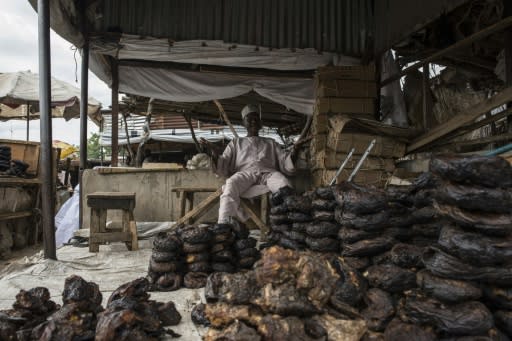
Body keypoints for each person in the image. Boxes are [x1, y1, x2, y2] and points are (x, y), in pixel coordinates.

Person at [200, 104, 299, 225]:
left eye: (256, 119)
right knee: (231, 184)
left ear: (260, 123)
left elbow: (285, 162)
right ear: (244, 123)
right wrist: (215, 154)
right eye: (249, 119)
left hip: (269, 174)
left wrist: (295, 151)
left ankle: (294, 222)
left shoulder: (271, 142)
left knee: (284, 184)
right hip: (244, 174)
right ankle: (224, 224)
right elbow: (223, 163)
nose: (253, 121)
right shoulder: (236, 143)